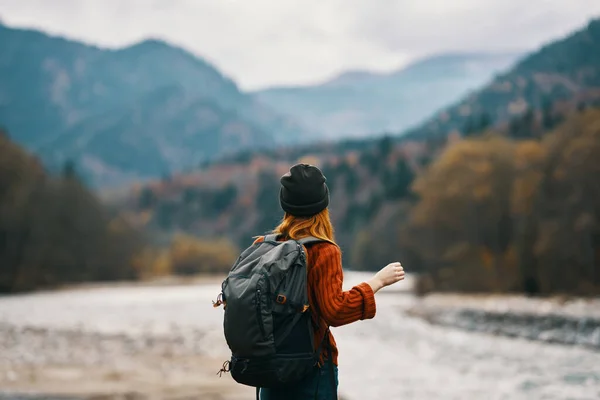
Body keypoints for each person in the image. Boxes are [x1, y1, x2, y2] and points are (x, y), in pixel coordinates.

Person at [254, 163, 405, 399]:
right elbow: (335, 311)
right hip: (310, 368)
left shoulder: (264, 245)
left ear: (286, 204)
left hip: (268, 368)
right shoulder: (323, 251)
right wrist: (376, 283)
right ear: (323, 204)